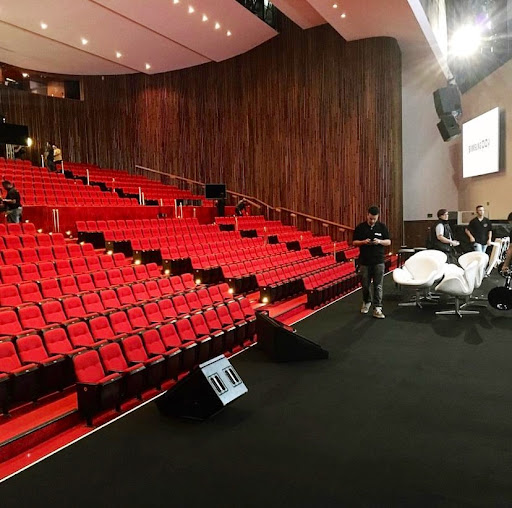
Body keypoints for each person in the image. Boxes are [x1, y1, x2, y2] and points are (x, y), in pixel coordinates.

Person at [353, 205, 391, 319]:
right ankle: (366, 302)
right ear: (367, 215)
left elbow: (388, 242)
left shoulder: (382, 227)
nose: (372, 221)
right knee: (365, 284)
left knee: (378, 285)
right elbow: (354, 242)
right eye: (370, 218)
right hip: (364, 261)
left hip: (378, 260)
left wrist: (379, 241)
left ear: (378, 217)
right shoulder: (360, 227)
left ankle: (378, 307)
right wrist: (363, 242)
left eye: (374, 219)